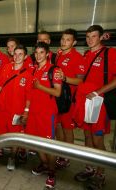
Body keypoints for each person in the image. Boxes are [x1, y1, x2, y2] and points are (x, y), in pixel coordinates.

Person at [74, 25, 116, 190]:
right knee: (87, 136)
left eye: (94, 36)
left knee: (98, 139)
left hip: (100, 103)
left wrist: (98, 92)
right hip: (86, 102)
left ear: (100, 37)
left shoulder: (109, 53)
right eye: (88, 36)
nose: (90, 39)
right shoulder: (86, 54)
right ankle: (90, 168)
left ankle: (101, 174)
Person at [25, 42, 62, 189]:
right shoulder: (33, 70)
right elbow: (30, 92)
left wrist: (40, 86)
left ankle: (52, 173)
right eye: (36, 53)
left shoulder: (54, 69)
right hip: (34, 113)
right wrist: (26, 111)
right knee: (36, 142)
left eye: (41, 52)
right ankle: (45, 164)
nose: (38, 55)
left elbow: (57, 92)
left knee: (49, 145)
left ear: (47, 54)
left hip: (47, 114)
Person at [0, 44, 32, 170]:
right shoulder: (6, 67)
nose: (17, 56)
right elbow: (0, 84)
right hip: (2, 107)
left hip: (17, 111)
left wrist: (26, 112)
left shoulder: (28, 74)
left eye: (20, 54)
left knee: (15, 136)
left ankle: (12, 158)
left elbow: (29, 97)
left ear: (25, 57)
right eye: (15, 54)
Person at [54, 29, 86, 168]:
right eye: (62, 39)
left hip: (68, 100)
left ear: (74, 42)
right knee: (59, 127)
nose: (64, 42)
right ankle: (61, 152)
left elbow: (80, 82)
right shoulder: (58, 54)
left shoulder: (77, 57)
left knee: (67, 129)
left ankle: (67, 156)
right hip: (56, 98)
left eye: (67, 40)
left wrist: (65, 78)